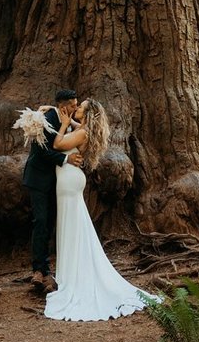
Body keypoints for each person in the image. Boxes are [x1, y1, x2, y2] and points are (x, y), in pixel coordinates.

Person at [45, 99, 152, 322]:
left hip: (69, 181)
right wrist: (53, 110)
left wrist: (63, 125)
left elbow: (57, 144)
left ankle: (73, 279)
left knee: (72, 227)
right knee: (72, 227)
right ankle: (67, 276)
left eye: (81, 107)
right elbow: (70, 126)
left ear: (88, 113)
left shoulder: (81, 133)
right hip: (69, 181)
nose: (77, 109)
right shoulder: (82, 129)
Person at [21, 87, 82, 294]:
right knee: (40, 221)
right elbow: (41, 150)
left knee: (53, 223)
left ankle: (50, 271)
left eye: (76, 104)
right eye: (73, 104)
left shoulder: (69, 120)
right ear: (63, 106)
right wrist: (66, 159)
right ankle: (39, 270)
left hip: (59, 182)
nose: (76, 107)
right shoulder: (45, 118)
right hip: (39, 179)